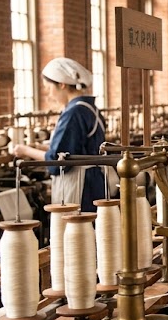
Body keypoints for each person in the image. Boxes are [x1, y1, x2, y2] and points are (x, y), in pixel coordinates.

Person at [12, 58, 109, 213]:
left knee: (76, 232)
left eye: (49, 88)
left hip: (79, 186)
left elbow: (58, 160)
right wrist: (39, 147)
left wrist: (24, 151)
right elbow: (76, 147)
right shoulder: (89, 108)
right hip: (93, 180)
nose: (49, 94)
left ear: (62, 84)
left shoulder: (74, 113)